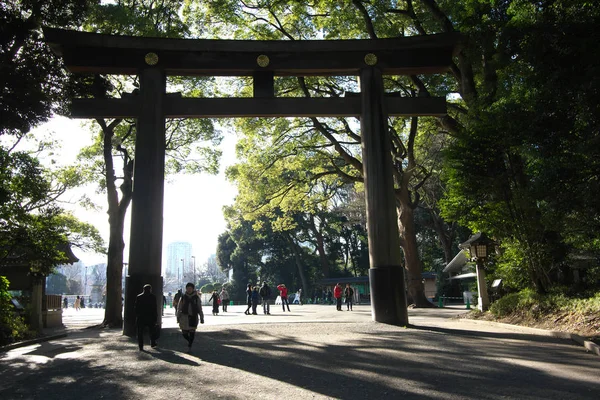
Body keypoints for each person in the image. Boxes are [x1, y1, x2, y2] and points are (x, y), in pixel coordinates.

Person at [176, 283, 204, 352]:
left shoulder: (196, 298)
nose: (189, 290)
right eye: (188, 288)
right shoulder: (183, 297)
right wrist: (178, 316)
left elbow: (199, 308)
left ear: (193, 289)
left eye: (190, 288)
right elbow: (179, 307)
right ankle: (189, 341)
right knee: (184, 333)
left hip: (193, 317)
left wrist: (201, 317)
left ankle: (190, 345)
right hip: (184, 317)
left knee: (192, 332)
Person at [134, 284, 158, 351]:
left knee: (140, 333)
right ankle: (152, 342)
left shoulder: (139, 297)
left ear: (143, 289)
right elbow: (155, 308)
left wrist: (137, 315)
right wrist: (155, 317)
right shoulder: (153, 297)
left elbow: (136, 307)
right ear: (150, 289)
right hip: (150, 317)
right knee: (152, 331)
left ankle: (141, 346)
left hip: (141, 317)